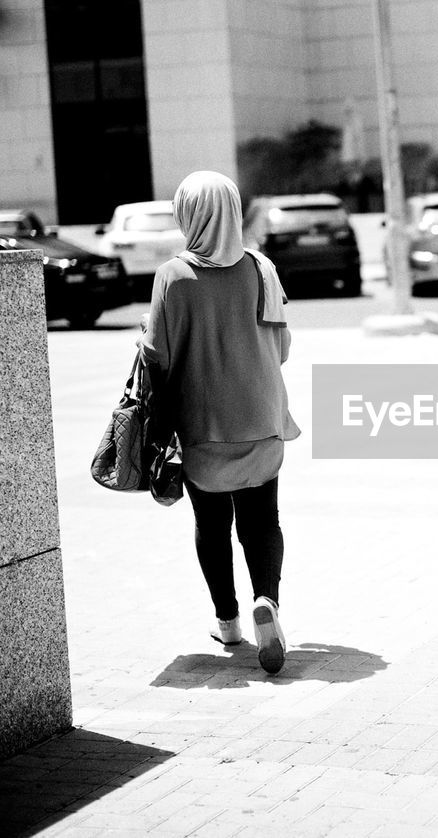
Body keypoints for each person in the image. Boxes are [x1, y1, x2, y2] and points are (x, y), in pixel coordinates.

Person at [139, 170, 300, 674]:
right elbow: (283, 347)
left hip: (202, 425)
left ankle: (228, 621)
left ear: (189, 213)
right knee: (262, 521)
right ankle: (267, 602)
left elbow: (158, 356)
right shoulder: (261, 269)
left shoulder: (174, 276)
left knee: (212, 524)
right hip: (262, 417)